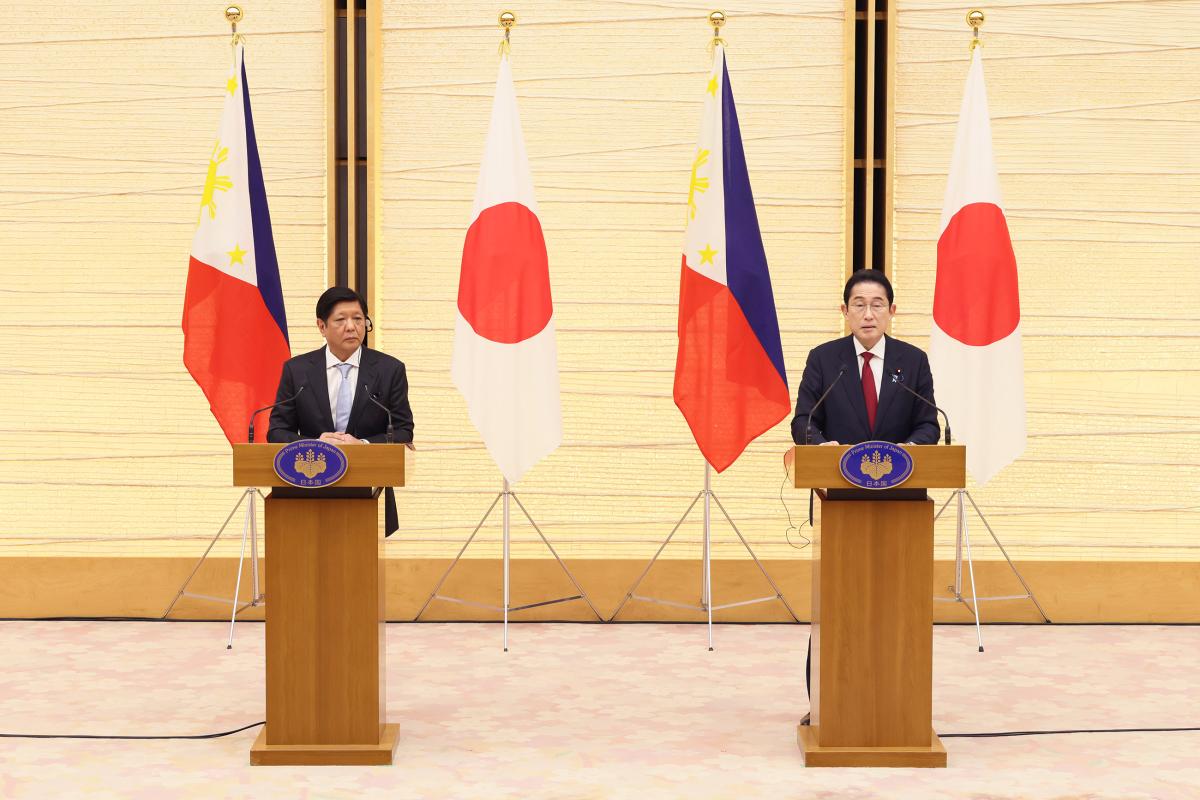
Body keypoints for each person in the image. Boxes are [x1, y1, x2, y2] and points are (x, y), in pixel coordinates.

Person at [790, 269, 940, 722]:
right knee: (837, 605)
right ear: (845, 311)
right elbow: (803, 421)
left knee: (900, 607)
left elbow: (929, 424)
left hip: (902, 509)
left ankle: (900, 709)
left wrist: (909, 451)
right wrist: (822, 447)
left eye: (877, 305)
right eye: (859, 304)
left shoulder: (913, 362)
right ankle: (824, 707)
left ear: (892, 311)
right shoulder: (825, 360)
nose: (868, 314)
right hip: (841, 505)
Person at [268, 286, 414, 534]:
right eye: (340, 320)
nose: (351, 327)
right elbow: (277, 431)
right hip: (306, 487)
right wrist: (315, 444)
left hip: (368, 491)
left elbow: (403, 431)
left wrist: (363, 445)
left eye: (358, 319)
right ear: (322, 326)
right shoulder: (297, 370)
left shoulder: (389, 370)